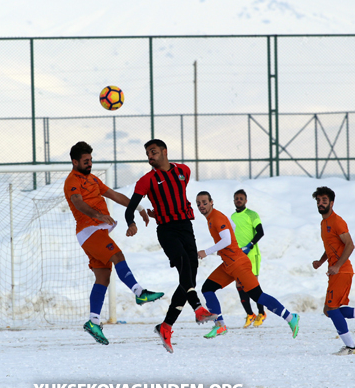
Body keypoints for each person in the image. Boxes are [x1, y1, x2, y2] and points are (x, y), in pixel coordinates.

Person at [64, 141, 164, 346]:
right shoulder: (72, 180)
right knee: (117, 256)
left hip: (95, 231)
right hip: (89, 230)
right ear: (75, 162)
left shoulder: (93, 179)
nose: (90, 163)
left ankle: (93, 321)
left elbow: (115, 195)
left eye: (91, 160)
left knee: (103, 277)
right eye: (85, 161)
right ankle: (139, 292)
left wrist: (139, 207)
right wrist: (98, 215)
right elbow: (77, 202)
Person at [125, 139, 217, 353]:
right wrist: (131, 222)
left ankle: (165, 326)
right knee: (184, 265)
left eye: (154, 152)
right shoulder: (146, 180)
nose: (150, 156)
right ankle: (198, 308)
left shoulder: (183, 170)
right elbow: (129, 209)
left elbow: (175, 197)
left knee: (189, 278)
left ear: (164, 152)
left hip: (186, 227)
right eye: (148, 153)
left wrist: (164, 209)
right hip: (166, 231)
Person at [196, 191, 300, 339]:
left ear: (211, 202)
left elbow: (225, 239)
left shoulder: (216, 217)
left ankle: (291, 318)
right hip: (228, 264)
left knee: (258, 296)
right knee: (207, 289)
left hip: (238, 264)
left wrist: (207, 252)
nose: (201, 206)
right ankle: (220, 326)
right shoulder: (212, 217)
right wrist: (227, 249)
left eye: (204, 202)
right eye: (198, 203)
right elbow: (232, 226)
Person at [312, 186, 355, 355]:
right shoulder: (324, 223)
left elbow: (350, 245)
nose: (321, 204)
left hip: (341, 271)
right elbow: (332, 247)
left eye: (324, 201)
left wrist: (336, 266)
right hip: (336, 271)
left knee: (332, 309)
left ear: (332, 203)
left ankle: (351, 347)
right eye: (318, 201)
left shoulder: (337, 221)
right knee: (328, 310)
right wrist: (322, 261)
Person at [230, 189, 267, 328]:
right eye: (236, 198)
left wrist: (250, 246)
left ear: (246, 200)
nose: (238, 200)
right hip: (238, 257)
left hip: (251, 255)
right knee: (239, 285)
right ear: (234, 201)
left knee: (253, 286)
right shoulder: (232, 217)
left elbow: (261, 232)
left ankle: (262, 313)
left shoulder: (252, 214)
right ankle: (250, 314)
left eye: (241, 198)